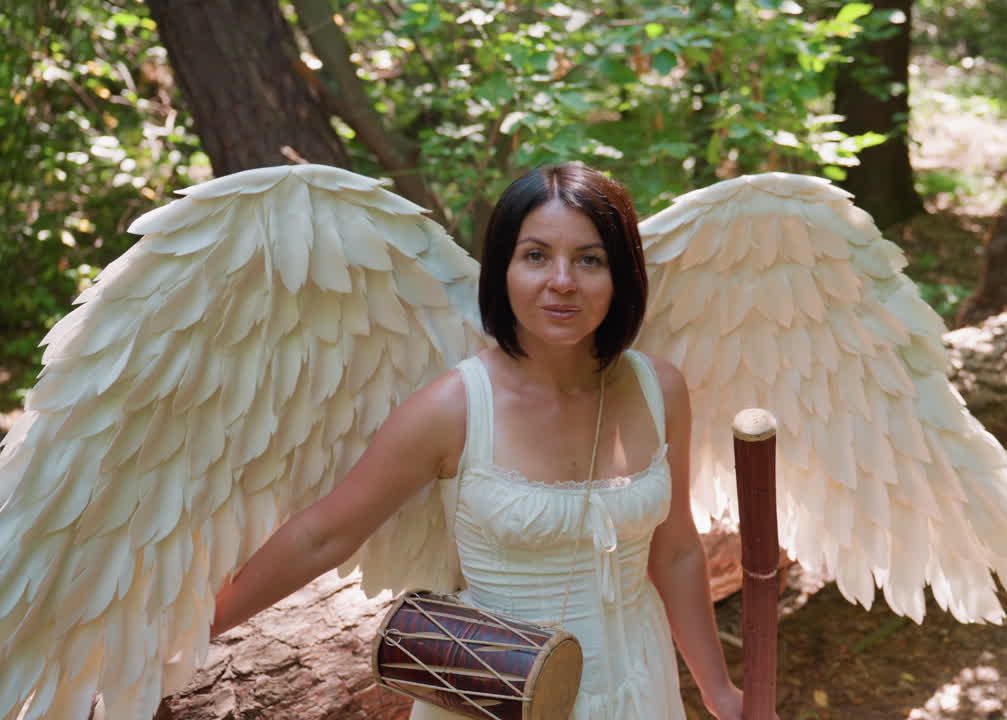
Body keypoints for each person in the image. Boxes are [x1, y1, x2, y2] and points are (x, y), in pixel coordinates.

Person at [210, 163, 746, 719]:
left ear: (621, 276)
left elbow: (678, 550)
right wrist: (194, 632)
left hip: (638, 686)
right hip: (493, 695)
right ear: (503, 271)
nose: (562, 280)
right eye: (536, 255)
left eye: (590, 259)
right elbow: (325, 535)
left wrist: (719, 691)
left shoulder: (659, 389)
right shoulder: (455, 408)